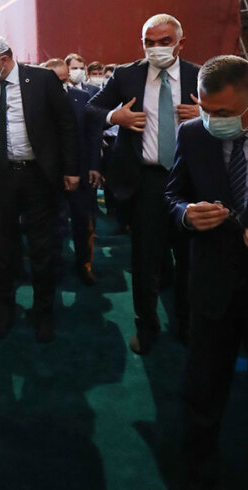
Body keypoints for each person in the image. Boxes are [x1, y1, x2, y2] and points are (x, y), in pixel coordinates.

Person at [85, 13, 199, 353]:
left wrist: (206, 115)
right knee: (145, 260)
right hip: (145, 180)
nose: (156, 48)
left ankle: (187, 325)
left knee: (189, 259)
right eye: (149, 42)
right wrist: (114, 116)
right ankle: (146, 327)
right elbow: (91, 109)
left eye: (164, 42)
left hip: (190, 180)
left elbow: (235, 114)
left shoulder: (199, 75)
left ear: (181, 43)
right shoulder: (126, 74)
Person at [0, 34, 80, 343]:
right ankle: (4, 311)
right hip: (0, 176)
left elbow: (66, 124)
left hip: (38, 175)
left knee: (41, 249)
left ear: (4, 60)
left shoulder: (42, 80)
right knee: (2, 249)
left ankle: (43, 313)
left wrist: (71, 169)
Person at [164, 55, 248, 490]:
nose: (214, 120)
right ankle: (198, 468)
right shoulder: (193, 133)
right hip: (213, 277)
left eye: (225, 112)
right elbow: (172, 193)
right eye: (206, 109)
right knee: (203, 385)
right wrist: (184, 214)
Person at [45, 58, 100, 285]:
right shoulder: (37, 101)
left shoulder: (83, 98)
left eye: (63, 79)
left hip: (81, 169)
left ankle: (83, 264)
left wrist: (95, 166)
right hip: (49, 174)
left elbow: (93, 135)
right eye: (55, 81)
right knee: (52, 224)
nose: (61, 85)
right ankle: (54, 266)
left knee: (81, 222)